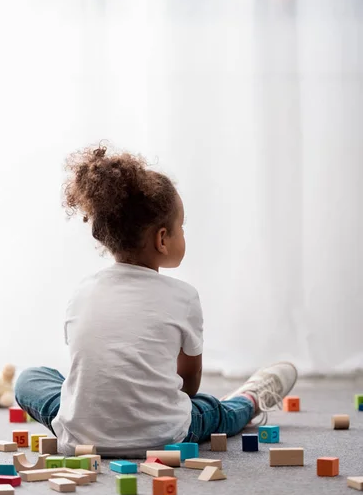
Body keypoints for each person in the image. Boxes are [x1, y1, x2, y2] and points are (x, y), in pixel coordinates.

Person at [15, 144, 297, 456]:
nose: (183, 235)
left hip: (81, 438)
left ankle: (95, 410)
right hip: (164, 436)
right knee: (211, 411)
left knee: (30, 379)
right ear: (162, 239)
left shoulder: (81, 292)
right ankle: (250, 399)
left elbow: (86, 362)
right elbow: (189, 385)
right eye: (182, 227)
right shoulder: (184, 297)